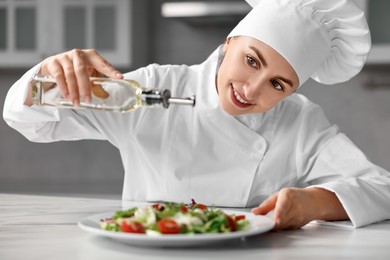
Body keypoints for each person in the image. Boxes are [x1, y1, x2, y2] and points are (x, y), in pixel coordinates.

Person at [3, 0, 390, 230]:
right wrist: (50, 77)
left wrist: (314, 203)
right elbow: (30, 122)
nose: (251, 90)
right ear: (230, 41)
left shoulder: (301, 123)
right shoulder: (152, 87)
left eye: (278, 84)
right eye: (251, 60)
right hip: (144, 249)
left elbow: (382, 188)